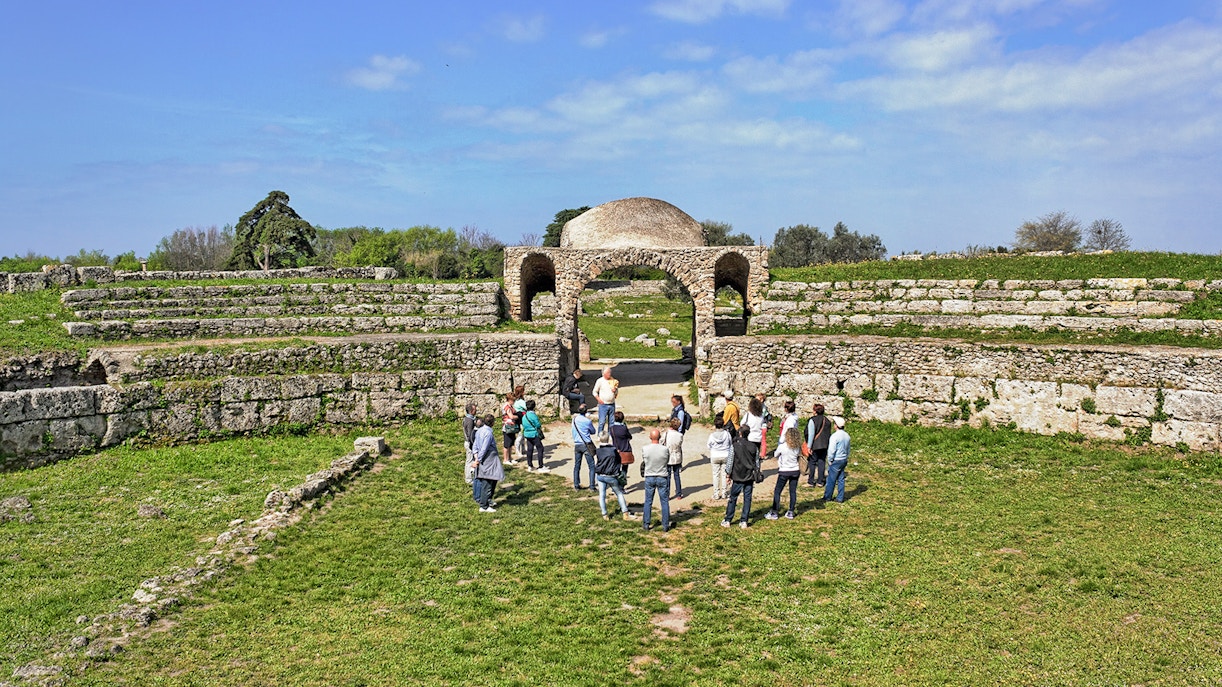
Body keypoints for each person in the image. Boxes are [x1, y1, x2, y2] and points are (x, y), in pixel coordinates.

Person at [721, 425, 757, 529]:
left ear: (740, 434)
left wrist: (728, 474)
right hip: (749, 475)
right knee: (747, 498)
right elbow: (757, 462)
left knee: (733, 497)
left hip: (738, 475)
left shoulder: (735, 446)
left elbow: (730, 461)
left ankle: (728, 519)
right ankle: (744, 520)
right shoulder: (753, 446)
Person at [766, 427, 803, 520]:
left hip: (784, 470)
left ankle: (774, 512)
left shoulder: (783, 446)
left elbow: (775, 454)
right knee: (792, 491)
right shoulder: (797, 447)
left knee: (778, 491)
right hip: (795, 470)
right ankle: (791, 511)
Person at [639, 428, 671, 532]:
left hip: (650, 476)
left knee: (648, 501)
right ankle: (665, 524)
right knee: (664, 501)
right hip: (662, 476)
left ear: (650, 437)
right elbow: (667, 460)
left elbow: (644, 459)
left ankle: (646, 523)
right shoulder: (665, 449)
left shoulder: (645, 448)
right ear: (660, 437)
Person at [471, 413, 504, 512]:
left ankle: (488, 500)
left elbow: (475, 446)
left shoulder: (479, 431)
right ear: (493, 423)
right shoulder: (488, 433)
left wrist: (476, 456)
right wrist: (478, 460)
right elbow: (484, 448)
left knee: (493, 480)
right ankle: (484, 506)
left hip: (485, 459)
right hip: (489, 460)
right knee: (488, 482)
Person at [594, 441, 634, 520]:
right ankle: (625, 512)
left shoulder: (598, 450)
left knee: (602, 495)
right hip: (611, 476)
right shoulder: (613, 450)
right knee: (619, 493)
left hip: (600, 475)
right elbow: (619, 460)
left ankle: (604, 514)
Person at [805, 403, 833, 488]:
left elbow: (811, 434)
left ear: (815, 411)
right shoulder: (827, 421)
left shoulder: (812, 420)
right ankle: (820, 481)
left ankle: (811, 481)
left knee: (812, 463)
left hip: (815, 445)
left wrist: (809, 446)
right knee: (822, 462)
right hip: (825, 444)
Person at [824, 416, 850, 503]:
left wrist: (830, 460)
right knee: (841, 479)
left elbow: (832, 450)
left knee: (831, 479)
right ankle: (840, 497)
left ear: (836, 425)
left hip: (836, 459)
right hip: (843, 459)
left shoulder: (834, 436)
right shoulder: (847, 436)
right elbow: (848, 449)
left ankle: (827, 496)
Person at [570, 404, 597, 491]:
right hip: (586, 444)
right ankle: (592, 486)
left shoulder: (574, 420)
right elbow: (593, 431)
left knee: (577, 465)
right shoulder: (587, 421)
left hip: (577, 444)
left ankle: (576, 485)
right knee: (592, 466)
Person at [706, 416, 732, 499]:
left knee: (716, 475)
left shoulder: (712, 435)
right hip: (725, 455)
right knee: (725, 474)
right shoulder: (727, 434)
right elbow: (730, 444)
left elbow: (708, 445)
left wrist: (714, 450)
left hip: (715, 455)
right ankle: (724, 492)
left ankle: (716, 493)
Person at [521, 399, 548, 473]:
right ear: (534, 407)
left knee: (530, 449)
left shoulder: (524, 416)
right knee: (540, 449)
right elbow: (538, 424)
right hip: (534, 434)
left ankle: (530, 465)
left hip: (527, 434)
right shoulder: (533, 415)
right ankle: (541, 466)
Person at [592, 366, 620, 435]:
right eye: (608, 373)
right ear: (603, 373)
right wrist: (598, 399)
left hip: (611, 403)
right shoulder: (600, 381)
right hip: (603, 404)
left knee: (611, 421)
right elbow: (594, 392)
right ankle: (600, 434)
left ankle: (610, 434)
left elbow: (616, 392)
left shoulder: (613, 381)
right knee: (602, 421)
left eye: (610, 372)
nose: (609, 374)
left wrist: (615, 390)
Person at [663, 417, 685, 499]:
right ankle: (679, 493)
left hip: (668, 456)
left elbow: (662, 442)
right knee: (677, 475)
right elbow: (679, 445)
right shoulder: (680, 435)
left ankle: (667, 494)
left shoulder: (667, 434)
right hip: (677, 456)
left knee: (667, 476)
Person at [609, 411, 634, 479]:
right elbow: (629, 436)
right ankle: (622, 482)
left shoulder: (611, 428)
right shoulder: (624, 428)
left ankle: (616, 484)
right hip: (625, 449)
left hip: (616, 450)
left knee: (616, 467)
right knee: (624, 469)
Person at [743, 397, 766, 468]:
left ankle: (750, 471)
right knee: (756, 456)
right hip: (758, 438)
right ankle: (757, 469)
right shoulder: (761, 416)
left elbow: (742, 423)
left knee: (749, 456)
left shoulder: (748, 415)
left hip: (750, 437)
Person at [501, 390, 522, 466]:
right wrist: (519, 416)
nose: (514, 402)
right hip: (507, 427)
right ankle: (505, 459)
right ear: (510, 400)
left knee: (510, 443)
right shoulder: (507, 407)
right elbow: (511, 416)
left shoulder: (510, 406)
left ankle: (509, 458)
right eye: (513, 400)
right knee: (507, 444)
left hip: (512, 427)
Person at [462, 403, 479, 486]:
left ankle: (472, 476)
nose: (476, 410)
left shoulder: (468, 418)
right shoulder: (469, 421)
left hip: (469, 442)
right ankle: (468, 479)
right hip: (469, 443)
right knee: (469, 461)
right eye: (475, 409)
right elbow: (470, 434)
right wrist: (473, 445)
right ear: (471, 411)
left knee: (470, 460)